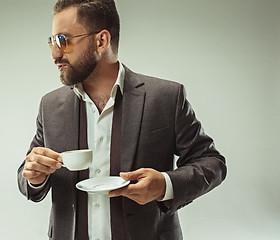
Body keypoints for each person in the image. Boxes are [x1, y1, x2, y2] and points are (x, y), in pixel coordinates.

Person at [17, 0, 227, 239]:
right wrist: (34, 177)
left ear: (101, 41)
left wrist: (164, 185)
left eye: (63, 41)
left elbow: (212, 163)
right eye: (52, 42)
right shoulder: (50, 105)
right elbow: (28, 173)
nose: (55, 54)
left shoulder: (166, 97)